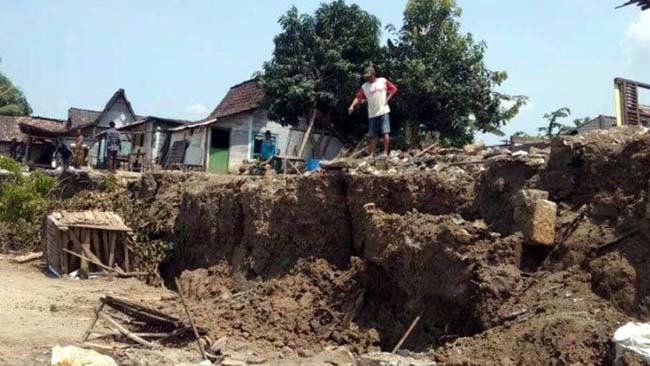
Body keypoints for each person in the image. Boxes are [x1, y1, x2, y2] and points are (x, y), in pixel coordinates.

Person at [348, 66, 398, 157]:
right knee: (372, 135)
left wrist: (387, 99)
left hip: (383, 111)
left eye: (369, 76)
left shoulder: (382, 81)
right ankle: (371, 154)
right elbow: (358, 97)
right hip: (372, 113)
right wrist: (352, 106)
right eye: (366, 76)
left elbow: (393, 89)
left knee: (385, 132)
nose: (368, 78)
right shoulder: (365, 86)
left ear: (373, 74)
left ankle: (385, 152)